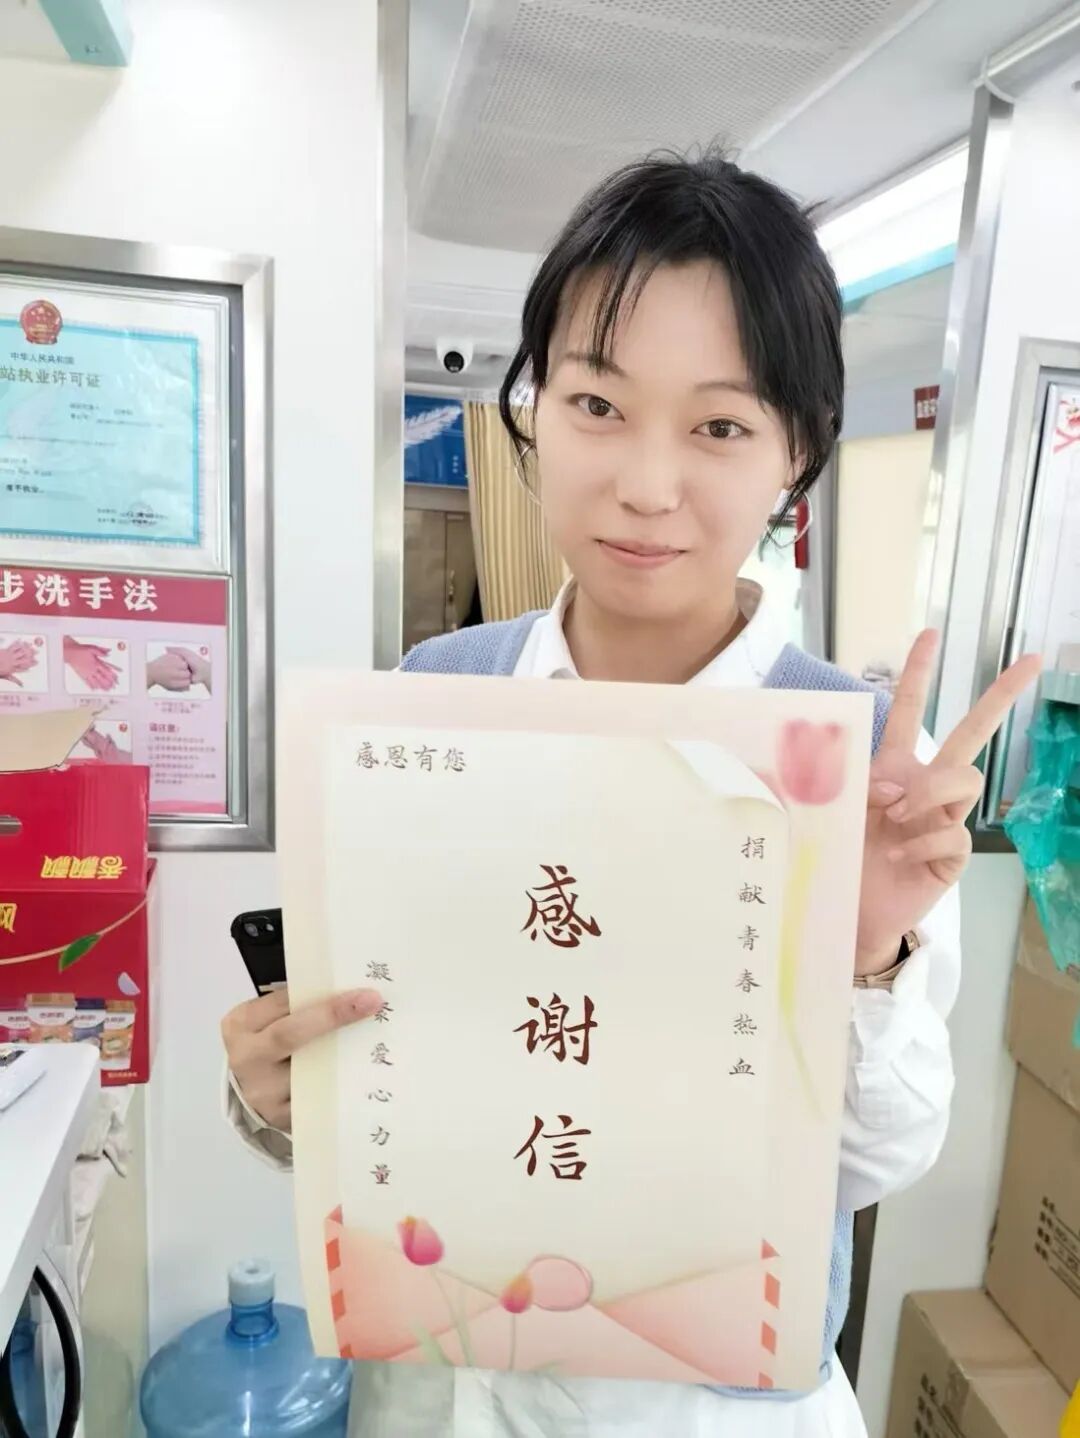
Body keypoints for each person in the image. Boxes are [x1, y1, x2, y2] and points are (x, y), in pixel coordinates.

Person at [221, 150, 1038, 1437]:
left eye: (720, 426)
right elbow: (392, 1076)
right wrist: (282, 1097)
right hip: (459, 1383)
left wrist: (867, 951)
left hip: (725, 1410)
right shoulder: (434, 701)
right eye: (598, 403)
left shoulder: (857, 759)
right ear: (536, 408)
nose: (648, 485)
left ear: (798, 452)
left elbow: (876, 1162)